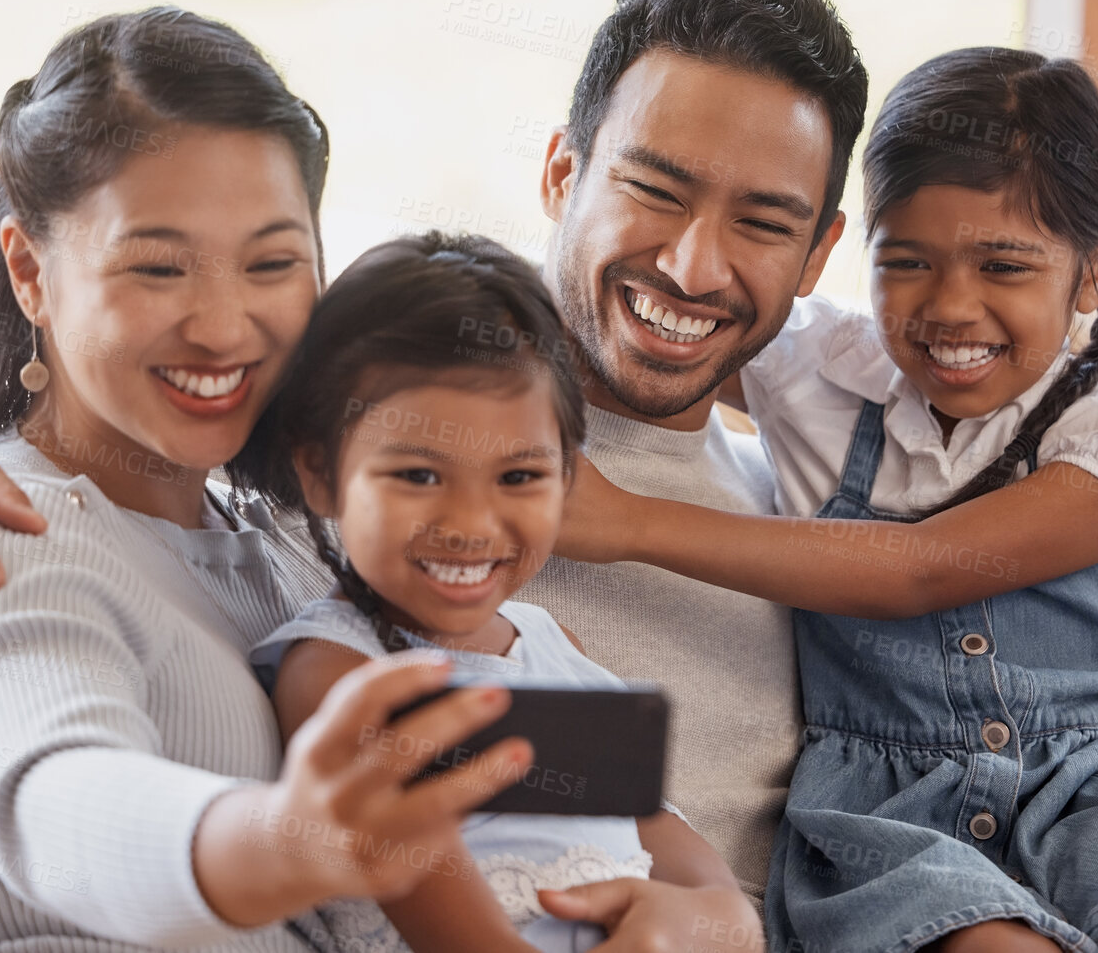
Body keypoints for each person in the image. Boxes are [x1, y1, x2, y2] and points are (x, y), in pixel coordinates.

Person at [0, 0, 1098, 947]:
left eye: (272, 263)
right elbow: (65, 793)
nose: (699, 264)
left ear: (821, 251)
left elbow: (547, 725)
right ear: (561, 172)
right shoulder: (393, 446)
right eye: (654, 188)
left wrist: (711, 896)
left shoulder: (800, 449)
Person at [555, 47, 1098, 951]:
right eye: (905, 261)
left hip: (1092, 796)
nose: (950, 307)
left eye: (1004, 267)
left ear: (1092, 275)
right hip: (891, 822)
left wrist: (627, 523)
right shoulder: (827, 377)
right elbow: (676, 311)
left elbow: (922, 570)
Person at [0, 7, 548, 953]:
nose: (224, 326)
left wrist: (690, 895)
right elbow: (61, 799)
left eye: (273, 263)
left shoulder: (279, 538)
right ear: (31, 272)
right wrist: (290, 841)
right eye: (158, 266)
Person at [235, 231, 751, 952]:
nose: (470, 525)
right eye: (417, 476)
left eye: (518, 477)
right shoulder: (338, 675)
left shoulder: (552, 645)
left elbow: (677, 851)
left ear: (566, 481)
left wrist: (710, 916)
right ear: (321, 474)